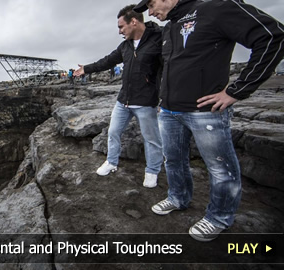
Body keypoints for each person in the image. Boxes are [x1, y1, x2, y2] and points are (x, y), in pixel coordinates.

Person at [133, 0, 284, 241]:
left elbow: (273, 36)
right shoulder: (170, 27)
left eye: (151, 5)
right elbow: (170, 65)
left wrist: (237, 90)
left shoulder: (215, 8)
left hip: (205, 112)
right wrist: (162, 98)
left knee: (220, 167)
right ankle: (178, 198)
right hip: (170, 111)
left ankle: (219, 217)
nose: (150, 13)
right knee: (172, 160)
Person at [74, 5, 164, 188]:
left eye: (121, 27)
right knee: (113, 132)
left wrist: (164, 96)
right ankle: (111, 162)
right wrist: (86, 69)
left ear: (134, 22)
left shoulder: (158, 39)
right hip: (124, 101)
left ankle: (152, 171)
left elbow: (169, 67)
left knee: (151, 139)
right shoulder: (125, 46)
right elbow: (107, 61)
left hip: (146, 102)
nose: (119, 31)